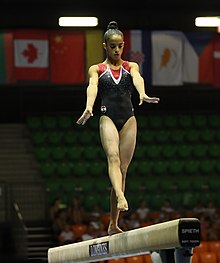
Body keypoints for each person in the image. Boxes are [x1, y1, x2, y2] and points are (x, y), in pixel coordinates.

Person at [76, 21, 160, 235]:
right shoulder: (97, 69)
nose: (116, 50)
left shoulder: (131, 66)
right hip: (107, 117)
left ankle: (113, 223)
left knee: (122, 170)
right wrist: (88, 107)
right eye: (112, 46)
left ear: (123, 45)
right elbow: (92, 86)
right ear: (105, 46)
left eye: (120, 46)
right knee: (112, 158)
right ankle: (121, 196)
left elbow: (138, 79)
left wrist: (142, 93)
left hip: (129, 118)